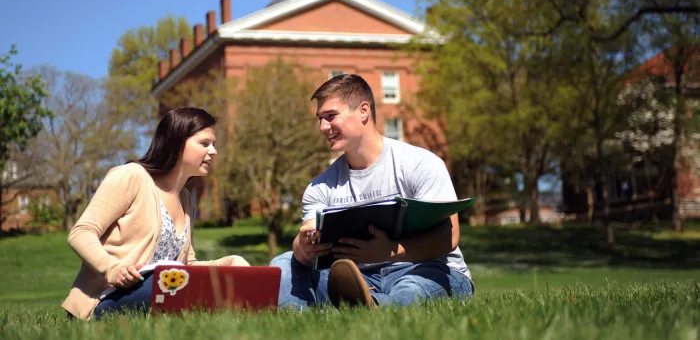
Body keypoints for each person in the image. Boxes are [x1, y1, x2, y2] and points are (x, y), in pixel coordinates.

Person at [270, 74, 473, 310]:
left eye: (330, 116)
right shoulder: (320, 187)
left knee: (411, 288)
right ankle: (298, 321)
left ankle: (376, 306)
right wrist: (302, 247)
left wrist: (389, 252)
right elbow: (307, 233)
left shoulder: (420, 163)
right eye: (320, 119)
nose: (323, 127)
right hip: (357, 277)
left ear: (363, 111)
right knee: (283, 261)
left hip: (424, 268)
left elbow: (449, 237)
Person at [62, 107, 249, 320]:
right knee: (172, 288)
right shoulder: (132, 176)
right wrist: (112, 269)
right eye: (205, 143)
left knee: (181, 287)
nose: (214, 151)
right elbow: (81, 232)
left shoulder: (185, 199)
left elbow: (187, 267)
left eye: (213, 144)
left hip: (165, 289)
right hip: (105, 299)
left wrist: (228, 263)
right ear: (177, 144)